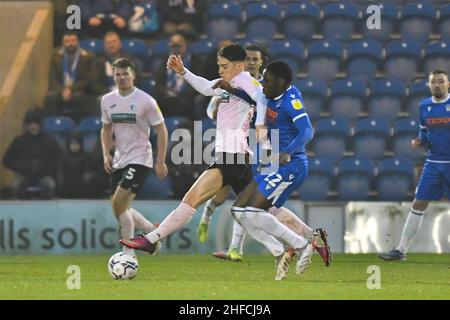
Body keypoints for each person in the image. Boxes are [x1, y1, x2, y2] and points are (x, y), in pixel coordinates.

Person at [121, 45, 319, 280]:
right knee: (266, 210)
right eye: (219, 66)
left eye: (224, 66)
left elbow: (262, 98)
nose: (221, 70)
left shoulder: (246, 81)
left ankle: (151, 240)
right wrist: (184, 72)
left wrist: (260, 125)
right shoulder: (232, 83)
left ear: (238, 66)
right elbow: (207, 88)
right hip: (235, 157)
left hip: (231, 158)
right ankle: (307, 239)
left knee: (190, 200)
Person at [221, 61, 329, 280]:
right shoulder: (268, 95)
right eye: (263, 79)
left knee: (253, 212)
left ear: (284, 83)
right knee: (239, 211)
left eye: (268, 81)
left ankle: (299, 246)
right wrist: (231, 89)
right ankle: (298, 244)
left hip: (291, 166)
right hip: (270, 164)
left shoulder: (291, 101)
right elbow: (254, 97)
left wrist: (288, 151)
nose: (264, 84)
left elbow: (307, 131)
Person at [100, 58, 169, 258]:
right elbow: (105, 129)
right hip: (119, 159)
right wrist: (106, 154)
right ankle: (150, 231)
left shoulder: (146, 100)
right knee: (120, 207)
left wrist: (160, 160)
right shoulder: (107, 100)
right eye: (118, 74)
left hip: (140, 157)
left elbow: (162, 130)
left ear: (133, 75)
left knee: (118, 202)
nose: (121, 78)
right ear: (114, 76)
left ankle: (128, 254)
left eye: (125, 74)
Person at [378, 70, 450, 261]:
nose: (437, 85)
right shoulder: (424, 106)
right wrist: (419, 141)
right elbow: (424, 133)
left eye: (441, 81)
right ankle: (401, 250)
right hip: (433, 163)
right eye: (433, 82)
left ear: (448, 84)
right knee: (418, 204)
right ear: (429, 85)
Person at [3, 109, 60, 199]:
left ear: (40, 124)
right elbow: (6, 160)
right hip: (23, 175)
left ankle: (47, 210)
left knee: (49, 185)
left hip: (44, 176)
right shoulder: (19, 141)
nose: (33, 126)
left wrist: (45, 169)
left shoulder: (50, 141)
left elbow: (57, 159)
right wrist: (22, 167)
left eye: (35, 123)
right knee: (17, 186)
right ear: (26, 125)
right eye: (30, 123)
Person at [44, 31, 95, 123]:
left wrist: (71, 90)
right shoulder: (55, 56)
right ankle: (52, 127)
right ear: (63, 43)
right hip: (61, 90)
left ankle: (80, 126)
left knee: (77, 97)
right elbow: (53, 79)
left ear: (78, 42)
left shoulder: (88, 56)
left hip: (80, 91)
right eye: (67, 41)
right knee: (50, 97)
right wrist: (62, 91)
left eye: (73, 40)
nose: (70, 43)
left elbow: (87, 80)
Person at [91, 31, 142, 97]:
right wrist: (109, 93)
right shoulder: (99, 62)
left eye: (114, 41)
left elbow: (137, 77)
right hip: (107, 95)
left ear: (120, 44)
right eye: (108, 43)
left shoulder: (129, 59)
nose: (112, 45)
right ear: (104, 46)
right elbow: (95, 84)